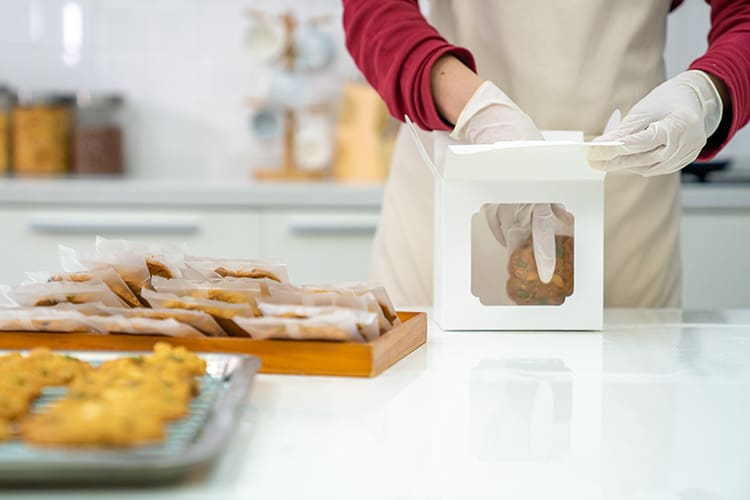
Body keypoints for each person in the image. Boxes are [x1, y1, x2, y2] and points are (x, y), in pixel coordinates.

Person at [342, 0, 749, 307]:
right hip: (453, 182)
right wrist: (477, 112)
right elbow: (376, 10)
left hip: (624, 202)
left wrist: (709, 94)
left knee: (624, 409)